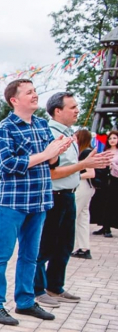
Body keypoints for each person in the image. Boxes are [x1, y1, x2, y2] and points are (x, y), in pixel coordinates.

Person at [0, 79, 74, 326]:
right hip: (12, 202)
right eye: (29, 92)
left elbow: (50, 163)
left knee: (30, 256)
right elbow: (6, 165)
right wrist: (45, 155)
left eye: (35, 91)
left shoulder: (42, 125)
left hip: (40, 200)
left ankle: (25, 302)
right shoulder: (5, 128)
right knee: (1, 255)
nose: (35, 95)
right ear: (15, 100)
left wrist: (57, 151)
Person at [35, 93, 113, 308]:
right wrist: (83, 165)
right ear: (57, 111)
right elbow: (51, 173)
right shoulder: (51, 134)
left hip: (68, 194)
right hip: (53, 196)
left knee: (64, 245)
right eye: (72, 107)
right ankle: (37, 290)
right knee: (45, 245)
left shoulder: (70, 135)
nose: (77, 110)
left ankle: (55, 286)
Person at [72, 129, 96, 260]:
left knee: (72, 216)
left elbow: (91, 173)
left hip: (83, 186)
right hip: (88, 187)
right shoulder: (87, 151)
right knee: (83, 218)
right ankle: (84, 247)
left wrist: (74, 174)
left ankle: (66, 245)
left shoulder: (85, 152)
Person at [91, 130, 118, 238]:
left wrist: (113, 165)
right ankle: (103, 225)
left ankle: (108, 227)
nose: (112, 140)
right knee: (102, 202)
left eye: (114, 138)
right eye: (110, 138)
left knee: (112, 203)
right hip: (104, 180)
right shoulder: (105, 150)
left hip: (115, 180)